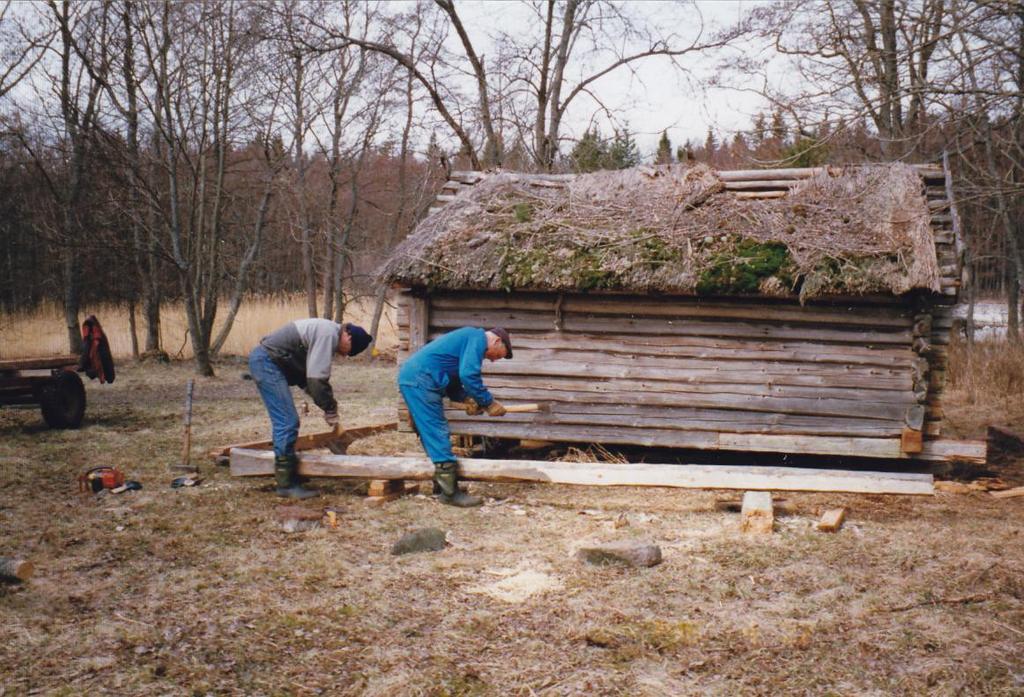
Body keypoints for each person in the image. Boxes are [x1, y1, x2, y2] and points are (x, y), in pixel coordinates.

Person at [249, 318, 371, 499]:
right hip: (267, 363)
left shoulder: (325, 331)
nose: (344, 356)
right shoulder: (329, 334)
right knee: (287, 421)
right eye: (349, 352)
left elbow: (306, 380)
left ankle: (291, 473)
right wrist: (330, 408)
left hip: (270, 361)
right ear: (348, 337)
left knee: (287, 421)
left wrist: (325, 404)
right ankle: (286, 484)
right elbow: (316, 379)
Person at [398, 326, 513, 507]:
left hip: (418, 377)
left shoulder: (469, 339)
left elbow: (453, 379)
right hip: (421, 379)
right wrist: (488, 402)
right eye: (497, 355)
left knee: (431, 432)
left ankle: (443, 486)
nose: (492, 360)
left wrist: (467, 399)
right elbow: (468, 375)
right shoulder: (477, 338)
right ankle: (450, 493)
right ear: (497, 341)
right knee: (436, 430)